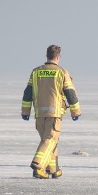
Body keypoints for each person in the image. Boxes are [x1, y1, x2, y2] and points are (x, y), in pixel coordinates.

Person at [21, 45, 81, 179]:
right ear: (58, 57)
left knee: (48, 141)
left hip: (39, 114)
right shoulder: (61, 72)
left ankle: (52, 169)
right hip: (54, 114)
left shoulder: (35, 72)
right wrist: (75, 111)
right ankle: (38, 164)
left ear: (46, 55)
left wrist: (25, 111)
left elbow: (27, 93)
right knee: (50, 140)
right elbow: (70, 93)